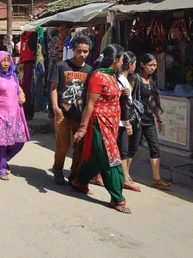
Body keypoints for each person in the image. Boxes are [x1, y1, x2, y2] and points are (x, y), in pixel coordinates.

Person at [72, 44, 131, 214]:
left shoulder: (113, 76)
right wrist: (82, 129)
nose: (123, 63)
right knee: (111, 159)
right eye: (122, 60)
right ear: (114, 60)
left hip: (111, 124)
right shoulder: (98, 76)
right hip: (99, 124)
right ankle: (117, 198)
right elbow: (90, 104)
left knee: (97, 158)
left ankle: (80, 180)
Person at [50, 34, 93, 185]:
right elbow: (54, 88)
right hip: (63, 113)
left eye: (85, 51)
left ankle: (74, 176)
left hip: (80, 116)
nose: (82, 54)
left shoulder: (90, 70)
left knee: (79, 148)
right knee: (63, 145)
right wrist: (55, 107)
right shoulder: (62, 66)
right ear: (73, 50)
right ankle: (58, 170)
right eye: (79, 51)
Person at [0, 51, 30, 180]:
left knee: (20, 141)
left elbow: (19, 89)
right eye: (3, 61)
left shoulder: (13, 75)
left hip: (15, 114)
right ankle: (1, 169)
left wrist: (22, 95)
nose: (6, 63)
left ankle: (3, 160)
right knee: (1, 142)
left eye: (8, 60)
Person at [128, 53, 172, 189]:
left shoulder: (151, 81)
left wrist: (158, 120)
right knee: (133, 148)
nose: (153, 68)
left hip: (149, 120)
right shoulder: (135, 78)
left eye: (155, 66)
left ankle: (156, 179)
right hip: (137, 119)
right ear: (142, 64)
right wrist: (126, 119)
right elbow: (127, 98)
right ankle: (124, 175)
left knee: (155, 148)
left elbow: (153, 103)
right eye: (150, 65)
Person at [116, 51, 139, 192]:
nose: (135, 67)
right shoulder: (122, 80)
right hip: (121, 122)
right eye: (135, 64)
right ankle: (124, 179)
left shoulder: (122, 79)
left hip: (120, 121)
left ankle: (124, 177)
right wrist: (128, 123)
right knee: (123, 151)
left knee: (120, 150)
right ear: (129, 65)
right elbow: (123, 104)